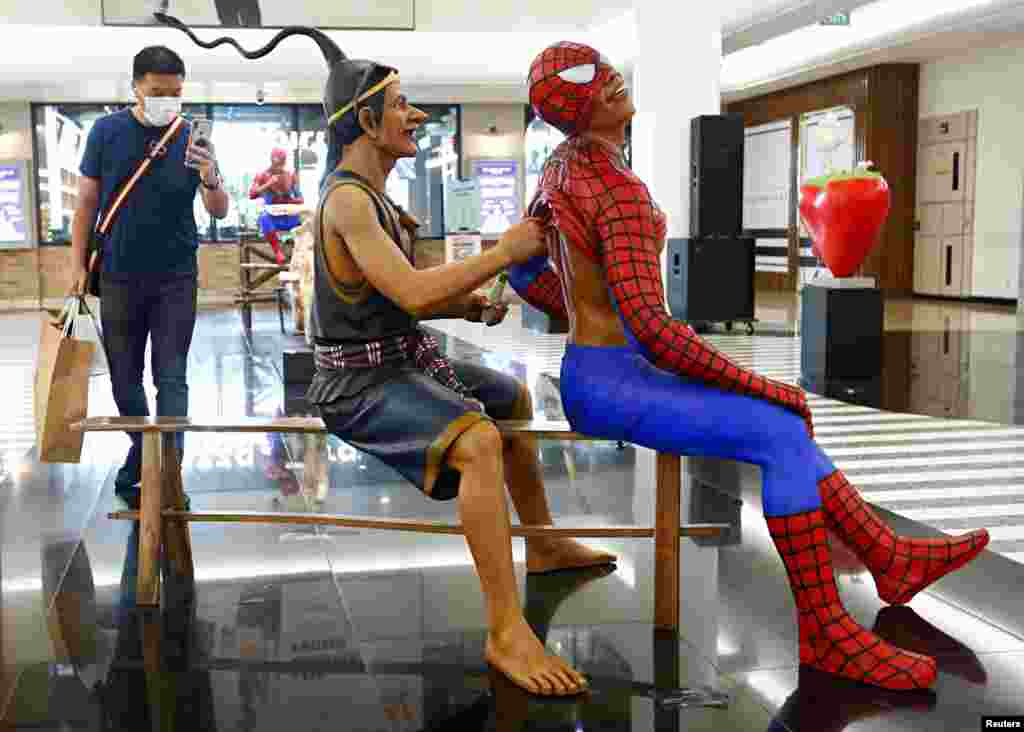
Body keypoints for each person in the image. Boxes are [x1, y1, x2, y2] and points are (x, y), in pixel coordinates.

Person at [155, 14, 615, 697]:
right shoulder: (347, 201)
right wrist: (502, 252)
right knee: (480, 443)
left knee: (511, 398)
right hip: (357, 383)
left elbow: (409, 301)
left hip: (400, 358)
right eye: (401, 106)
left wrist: (471, 304)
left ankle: (541, 543)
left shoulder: (375, 197)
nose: (417, 116)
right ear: (365, 123)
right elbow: (410, 291)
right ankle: (505, 631)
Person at [510, 41, 991, 692]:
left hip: (593, 371)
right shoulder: (614, 187)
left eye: (605, 69)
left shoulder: (562, 167)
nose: (611, 78)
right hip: (616, 381)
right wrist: (760, 382)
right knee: (777, 428)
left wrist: (583, 310)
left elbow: (525, 270)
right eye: (592, 78)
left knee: (779, 427)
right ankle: (831, 628)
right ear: (579, 102)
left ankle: (888, 559)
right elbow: (654, 328)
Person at [71, 45, 230, 509]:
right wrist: (77, 266)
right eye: (158, 91)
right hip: (119, 275)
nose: (168, 100)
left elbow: (219, 210)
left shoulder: (192, 136)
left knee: (172, 374)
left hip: (177, 276)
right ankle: (147, 455)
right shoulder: (106, 132)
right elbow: (85, 204)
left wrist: (210, 177)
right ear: (136, 85)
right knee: (124, 378)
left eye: (176, 92)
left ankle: (169, 468)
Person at [249, 147, 303, 264]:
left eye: (282, 163)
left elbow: (300, 199)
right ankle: (277, 251)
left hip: (289, 216)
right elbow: (252, 194)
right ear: (272, 161)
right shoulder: (262, 175)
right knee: (264, 218)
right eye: (277, 163)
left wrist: (290, 200)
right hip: (272, 217)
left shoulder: (290, 175)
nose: (279, 167)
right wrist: (268, 184)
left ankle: (297, 249)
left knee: (305, 218)